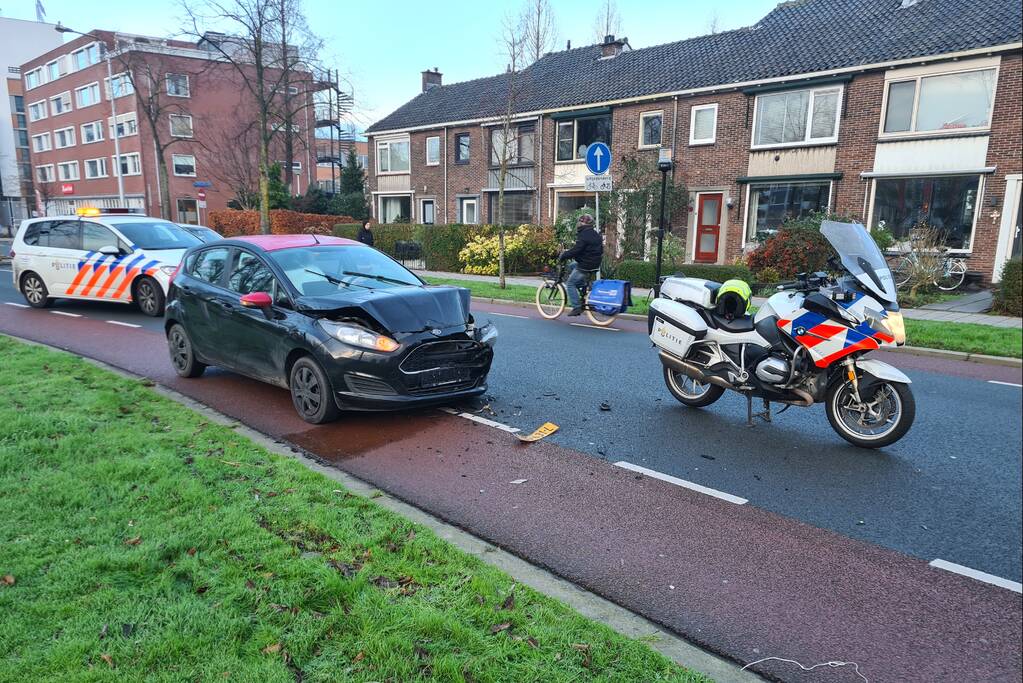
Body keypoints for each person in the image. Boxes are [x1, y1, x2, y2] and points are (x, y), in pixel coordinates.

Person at [558, 213, 603, 316]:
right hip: (595, 263)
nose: (578, 223)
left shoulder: (583, 235)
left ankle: (577, 307)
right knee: (571, 266)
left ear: (582, 223)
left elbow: (577, 250)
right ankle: (584, 286)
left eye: (580, 221)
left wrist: (564, 255)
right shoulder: (595, 234)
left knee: (570, 284)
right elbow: (585, 250)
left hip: (585, 265)